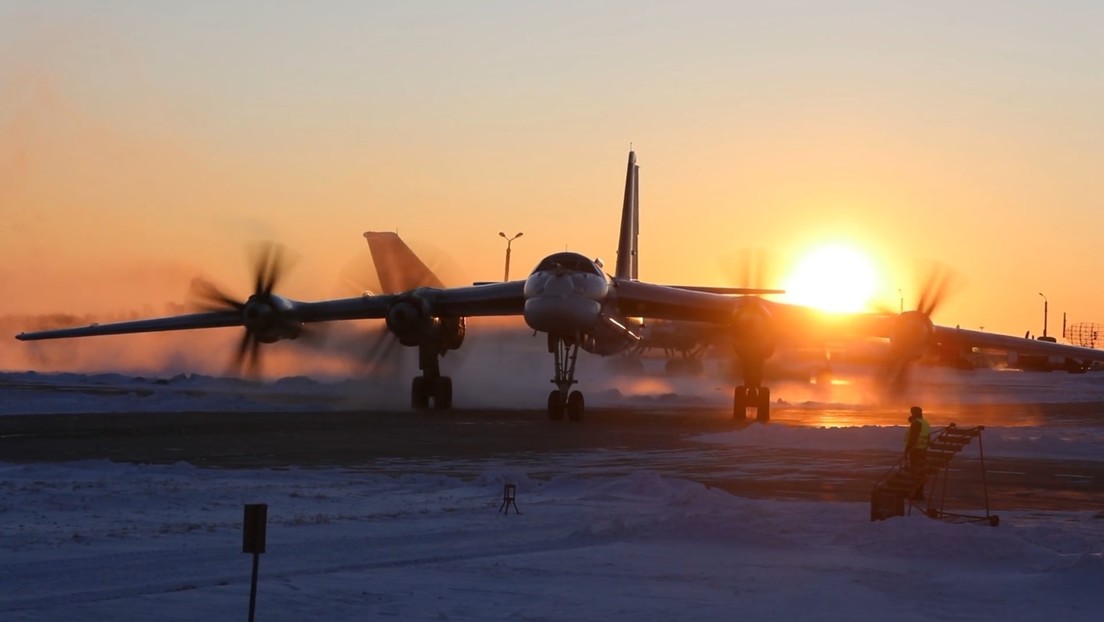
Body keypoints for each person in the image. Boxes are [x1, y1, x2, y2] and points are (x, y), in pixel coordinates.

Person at [904, 406, 930, 501]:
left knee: (915, 472)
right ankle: (919, 493)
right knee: (920, 472)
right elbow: (928, 437)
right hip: (923, 450)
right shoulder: (925, 423)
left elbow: (913, 439)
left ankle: (917, 494)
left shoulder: (916, 424)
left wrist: (907, 449)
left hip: (916, 450)